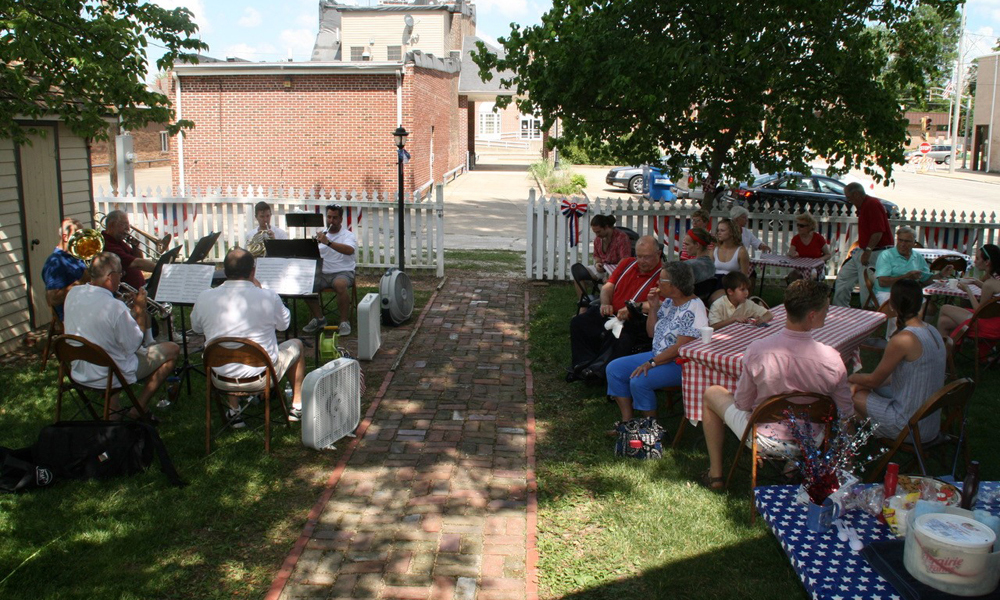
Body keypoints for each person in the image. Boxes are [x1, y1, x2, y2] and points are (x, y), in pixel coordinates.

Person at [700, 280, 853, 490]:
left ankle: (715, 474)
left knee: (712, 393)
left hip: (764, 438)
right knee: (799, 410)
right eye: (826, 308)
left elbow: (743, 404)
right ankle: (792, 467)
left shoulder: (758, 350)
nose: (828, 312)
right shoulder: (832, 359)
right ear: (812, 315)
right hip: (812, 438)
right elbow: (844, 413)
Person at [191, 248, 306, 426]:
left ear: (224, 271)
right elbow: (284, 325)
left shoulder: (204, 296)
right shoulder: (268, 296)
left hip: (219, 377)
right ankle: (297, 405)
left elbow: (196, 327)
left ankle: (234, 412)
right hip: (261, 376)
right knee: (296, 344)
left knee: (226, 345)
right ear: (253, 271)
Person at [63, 252, 179, 420]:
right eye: (120, 273)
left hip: (80, 370)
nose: (122, 277)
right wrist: (139, 310)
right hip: (109, 374)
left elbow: (105, 326)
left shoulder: (73, 294)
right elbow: (134, 345)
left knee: (113, 349)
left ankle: (113, 410)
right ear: (110, 276)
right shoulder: (114, 307)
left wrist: (129, 311)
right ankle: (138, 408)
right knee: (172, 350)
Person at [606, 261, 707, 422]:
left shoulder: (693, 309)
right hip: (659, 355)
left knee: (639, 380)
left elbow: (680, 348)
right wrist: (653, 308)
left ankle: (651, 429)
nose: (657, 283)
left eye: (662, 280)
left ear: (675, 285)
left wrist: (651, 363)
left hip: (680, 364)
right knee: (614, 369)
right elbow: (651, 333)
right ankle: (627, 423)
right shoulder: (669, 302)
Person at [850, 280, 947, 441]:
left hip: (908, 426)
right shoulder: (932, 330)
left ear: (892, 304)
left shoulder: (904, 340)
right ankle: (857, 439)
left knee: (845, 392)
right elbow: (893, 377)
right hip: (929, 424)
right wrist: (860, 384)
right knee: (855, 394)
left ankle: (847, 450)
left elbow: (874, 380)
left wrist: (850, 379)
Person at [568, 236, 662, 381]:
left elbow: (661, 303)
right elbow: (608, 286)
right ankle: (582, 363)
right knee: (579, 323)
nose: (642, 261)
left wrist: (633, 307)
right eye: (639, 256)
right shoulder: (627, 263)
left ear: (658, 254)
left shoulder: (663, 275)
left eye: (647, 257)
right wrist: (605, 303)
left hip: (635, 319)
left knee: (619, 335)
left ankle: (598, 371)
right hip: (612, 312)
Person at [833, 182, 894, 307]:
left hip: (875, 252)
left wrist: (868, 251)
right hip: (863, 251)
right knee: (843, 279)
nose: (850, 202)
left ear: (856, 194)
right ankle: (840, 309)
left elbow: (878, 232)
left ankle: (869, 314)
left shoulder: (872, 204)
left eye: (849, 198)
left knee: (866, 286)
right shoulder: (865, 205)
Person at [303, 204, 358, 335]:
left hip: (343, 271)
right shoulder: (321, 234)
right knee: (305, 285)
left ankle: (344, 321)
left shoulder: (348, 235)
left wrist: (328, 242)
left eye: (334, 218)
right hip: (322, 273)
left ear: (340, 220)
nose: (331, 221)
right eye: (328, 217)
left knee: (339, 285)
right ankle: (319, 318)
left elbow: (349, 250)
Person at [873, 226, 954, 305]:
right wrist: (906, 277)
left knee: (930, 309)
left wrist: (941, 274)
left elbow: (926, 280)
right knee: (905, 310)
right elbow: (882, 282)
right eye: (900, 240)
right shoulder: (887, 255)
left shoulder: (917, 257)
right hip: (887, 293)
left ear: (914, 243)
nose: (902, 244)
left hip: (910, 294)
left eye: (907, 241)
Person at [936, 244, 1000, 341]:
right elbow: (994, 291)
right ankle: (946, 352)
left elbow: (979, 311)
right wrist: (975, 281)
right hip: (995, 320)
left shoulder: (990, 283)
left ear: (987, 262)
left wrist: (967, 290)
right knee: (943, 321)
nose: (975, 261)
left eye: (977, 259)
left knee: (945, 308)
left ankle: (943, 348)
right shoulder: (996, 278)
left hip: (989, 326)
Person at [43, 218, 90, 321]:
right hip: (73, 316)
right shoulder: (55, 262)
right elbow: (53, 299)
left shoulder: (76, 255)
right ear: (65, 237)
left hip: (87, 306)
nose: (82, 240)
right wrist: (82, 281)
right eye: (78, 237)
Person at [102, 209, 158, 291]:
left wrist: (135, 247)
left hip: (138, 289)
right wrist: (160, 268)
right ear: (112, 225)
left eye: (128, 224)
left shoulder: (119, 241)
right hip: (127, 294)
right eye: (124, 224)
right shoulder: (107, 244)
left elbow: (138, 259)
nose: (128, 228)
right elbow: (136, 263)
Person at [708, 271, 773, 329]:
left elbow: (769, 314)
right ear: (730, 291)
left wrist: (762, 319)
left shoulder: (747, 304)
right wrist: (733, 319)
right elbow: (713, 327)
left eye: (747, 289)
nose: (747, 292)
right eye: (742, 289)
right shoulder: (718, 305)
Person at [786, 212, 832, 283]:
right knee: (794, 275)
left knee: (812, 274)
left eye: (801, 226)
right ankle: (796, 292)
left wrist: (818, 260)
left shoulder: (818, 238)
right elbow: (791, 252)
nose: (798, 227)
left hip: (816, 268)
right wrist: (793, 254)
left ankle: (809, 292)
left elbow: (828, 255)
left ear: (810, 227)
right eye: (797, 225)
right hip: (800, 267)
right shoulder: (796, 239)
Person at [587, 214, 631, 281]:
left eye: (599, 232)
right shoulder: (598, 239)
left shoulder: (621, 237)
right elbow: (596, 256)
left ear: (606, 227)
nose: (597, 235)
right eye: (595, 232)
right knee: (578, 271)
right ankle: (582, 292)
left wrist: (612, 271)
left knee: (609, 279)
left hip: (618, 270)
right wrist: (597, 264)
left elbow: (625, 259)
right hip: (603, 268)